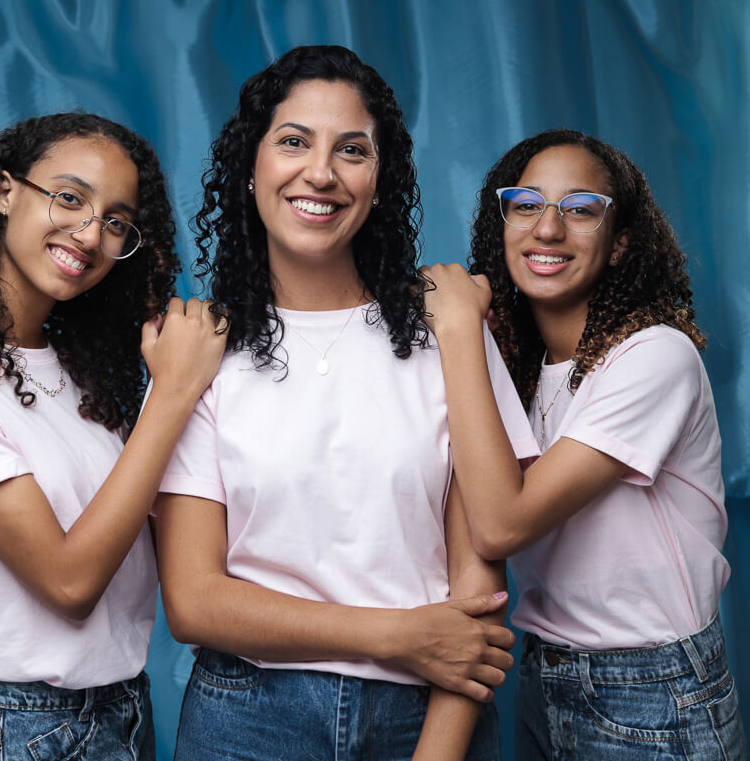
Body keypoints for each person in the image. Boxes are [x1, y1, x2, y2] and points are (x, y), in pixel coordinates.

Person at [153, 45, 539, 760]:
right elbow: (193, 601)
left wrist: (438, 750)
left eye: (351, 150)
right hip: (247, 720)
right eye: (293, 141)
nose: (321, 173)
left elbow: (478, 590)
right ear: (251, 165)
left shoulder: (449, 330)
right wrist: (398, 636)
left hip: (428, 715)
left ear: (380, 178)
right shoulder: (200, 350)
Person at [0, 112, 227, 760]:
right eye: (70, 198)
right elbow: (69, 584)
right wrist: (175, 393)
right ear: (6, 192)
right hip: (18, 727)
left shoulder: (84, 373)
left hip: (124, 710)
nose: (91, 233)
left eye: (117, 221)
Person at [422, 128, 747, 759]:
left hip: (653, 689)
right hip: (549, 676)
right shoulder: (517, 363)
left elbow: (502, 525)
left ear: (621, 241)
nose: (548, 229)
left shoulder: (655, 356)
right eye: (527, 205)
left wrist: (459, 328)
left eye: (580, 211)